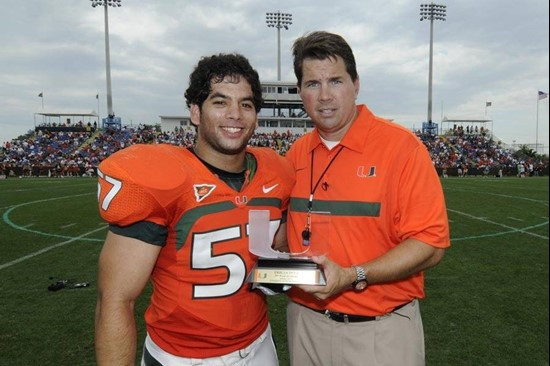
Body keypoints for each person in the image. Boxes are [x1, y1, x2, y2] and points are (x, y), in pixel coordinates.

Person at [94, 53, 294, 366]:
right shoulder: (162, 177)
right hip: (182, 357)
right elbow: (116, 298)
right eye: (220, 102)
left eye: (246, 104)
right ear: (195, 112)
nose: (235, 114)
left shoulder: (276, 171)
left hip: (258, 344)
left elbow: (277, 248)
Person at [284, 31, 450, 366]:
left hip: (379, 332)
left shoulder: (401, 147)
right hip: (305, 324)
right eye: (313, 84)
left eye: (336, 81)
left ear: (356, 84)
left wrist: (353, 275)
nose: (325, 96)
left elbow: (430, 245)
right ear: (300, 91)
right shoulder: (296, 153)